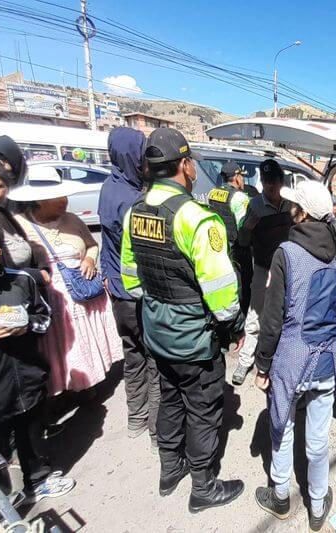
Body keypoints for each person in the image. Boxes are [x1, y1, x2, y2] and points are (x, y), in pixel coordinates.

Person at [120, 127, 245, 513]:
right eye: (192, 164)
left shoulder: (134, 213)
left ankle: (169, 470)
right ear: (186, 164)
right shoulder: (197, 218)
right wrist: (232, 329)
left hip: (156, 333)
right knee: (204, 408)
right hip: (194, 338)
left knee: (170, 400)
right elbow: (222, 294)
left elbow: (132, 281)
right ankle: (203, 487)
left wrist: (163, 304)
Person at [252, 180, 336, 532]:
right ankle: (317, 501)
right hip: (327, 361)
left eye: (293, 206)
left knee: (281, 426)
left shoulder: (287, 252)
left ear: (303, 213)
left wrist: (262, 363)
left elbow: (272, 316)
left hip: (291, 361)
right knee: (317, 438)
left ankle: (280, 495)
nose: (289, 211)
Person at [0, 212, 75, 501]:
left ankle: (37, 480)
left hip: (27, 381)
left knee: (31, 436)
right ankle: (0, 503)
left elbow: (44, 317)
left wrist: (27, 325)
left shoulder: (22, 281)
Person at [11, 167, 124, 395]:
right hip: (52, 297)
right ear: (39, 200)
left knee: (86, 342)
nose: (64, 201)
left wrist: (90, 260)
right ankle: (61, 391)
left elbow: (92, 245)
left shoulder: (72, 219)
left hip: (83, 292)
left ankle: (88, 386)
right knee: (61, 347)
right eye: (58, 197)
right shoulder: (20, 225)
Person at [97, 127, 161, 443]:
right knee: (154, 361)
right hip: (137, 295)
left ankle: (136, 418)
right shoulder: (132, 201)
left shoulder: (109, 188)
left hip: (118, 296)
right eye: (141, 156)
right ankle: (155, 431)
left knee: (133, 356)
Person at [233, 159, 292, 385]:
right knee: (255, 316)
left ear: (281, 182)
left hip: (286, 269)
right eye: (266, 182)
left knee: (282, 315)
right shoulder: (255, 205)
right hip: (263, 267)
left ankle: (274, 361)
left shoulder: (290, 204)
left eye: (274, 182)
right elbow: (243, 240)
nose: (270, 187)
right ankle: (245, 361)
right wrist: (247, 227)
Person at [207, 161, 252, 314]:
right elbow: (244, 227)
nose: (243, 180)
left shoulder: (213, 193)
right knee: (241, 291)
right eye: (242, 177)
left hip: (219, 248)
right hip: (237, 253)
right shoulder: (239, 198)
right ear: (237, 178)